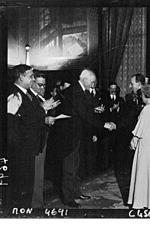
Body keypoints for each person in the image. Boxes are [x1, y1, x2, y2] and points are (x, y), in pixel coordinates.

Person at [52, 69, 115, 207]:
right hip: (68, 135)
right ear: (85, 80)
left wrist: (94, 109)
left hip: (77, 134)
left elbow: (83, 110)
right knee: (69, 166)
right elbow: (83, 113)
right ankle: (68, 198)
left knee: (75, 166)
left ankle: (75, 192)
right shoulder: (75, 90)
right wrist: (103, 124)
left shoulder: (81, 91)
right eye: (92, 82)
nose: (93, 85)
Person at [7, 65, 45, 207]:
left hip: (30, 147)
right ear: (21, 77)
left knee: (27, 183)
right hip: (20, 148)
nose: (33, 79)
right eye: (30, 76)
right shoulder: (14, 93)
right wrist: (43, 109)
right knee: (21, 186)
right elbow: (26, 119)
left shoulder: (28, 93)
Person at [29, 70, 59, 208]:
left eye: (44, 86)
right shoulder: (29, 97)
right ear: (32, 83)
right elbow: (29, 120)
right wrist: (45, 118)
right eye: (39, 85)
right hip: (34, 140)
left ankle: (38, 201)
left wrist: (51, 113)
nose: (42, 88)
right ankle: (35, 204)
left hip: (43, 137)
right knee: (35, 172)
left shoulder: (41, 98)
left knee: (39, 172)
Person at [127, 84, 150, 209]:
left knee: (142, 171)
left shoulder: (147, 109)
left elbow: (141, 128)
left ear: (145, 96)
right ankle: (146, 201)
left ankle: (140, 202)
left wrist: (133, 140)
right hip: (148, 141)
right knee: (146, 171)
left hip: (144, 142)